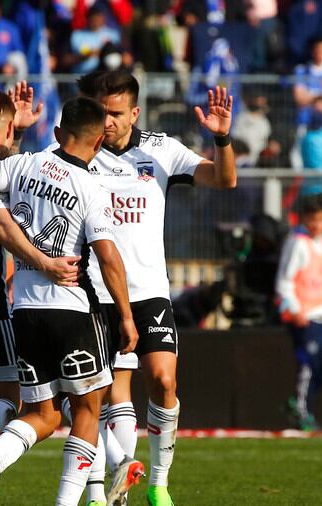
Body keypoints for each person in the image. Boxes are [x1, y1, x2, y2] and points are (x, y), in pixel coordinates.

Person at [0, 96, 139, 506]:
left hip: (23, 310)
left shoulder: (22, 165)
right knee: (88, 411)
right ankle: (65, 497)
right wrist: (126, 317)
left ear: (57, 133)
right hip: (71, 306)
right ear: (97, 145)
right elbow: (108, 256)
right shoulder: (90, 186)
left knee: (43, 414)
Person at [73, 69, 236, 506]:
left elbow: (224, 180)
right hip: (95, 291)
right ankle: (103, 488)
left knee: (164, 381)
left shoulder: (161, 150)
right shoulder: (78, 153)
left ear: (135, 113)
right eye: (100, 112)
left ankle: (158, 483)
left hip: (149, 291)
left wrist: (221, 139)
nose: (107, 121)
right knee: (104, 393)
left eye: (115, 113)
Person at [276, 200, 322, 431]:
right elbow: (285, 279)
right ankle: (302, 412)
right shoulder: (297, 243)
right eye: (313, 219)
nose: (317, 224)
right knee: (307, 367)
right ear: (304, 219)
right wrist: (294, 309)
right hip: (305, 316)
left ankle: (299, 403)